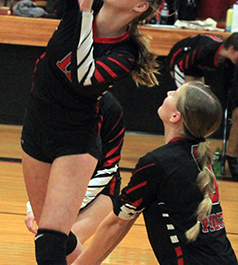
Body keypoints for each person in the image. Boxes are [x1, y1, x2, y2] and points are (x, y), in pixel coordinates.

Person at [1, 0, 164, 265]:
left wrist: (87, 15)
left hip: (75, 140)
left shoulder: (125, 53)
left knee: (49, 243)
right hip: (36, 125)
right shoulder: (80, 1)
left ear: (140, 7)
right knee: (50, 236)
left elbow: (83, 75)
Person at [73, 82, 238, 265]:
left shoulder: (158, 163)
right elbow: (121, 222)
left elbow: (116, 224)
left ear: (176, 116)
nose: (168, 92)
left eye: (174, 94)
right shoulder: (196, 156)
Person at [25, 91, 125, 264]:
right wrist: (34, 204)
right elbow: (40, 159)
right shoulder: (53, 100)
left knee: (59, 242)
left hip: (100, 189)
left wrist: (58, 205)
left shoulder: (111, 109)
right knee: (48, 241)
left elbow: (108, 169)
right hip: (62, 185)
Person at [167, 32, 238, 180]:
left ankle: (195, 145)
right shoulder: (208, 48)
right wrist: (182, 89)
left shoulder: (226, 61)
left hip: (195, 68)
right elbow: (182, 65)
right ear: (231, 49)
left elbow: (228, 84)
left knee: (199, 105)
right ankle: (179, 146)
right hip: (181, 62)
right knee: (186, 106)